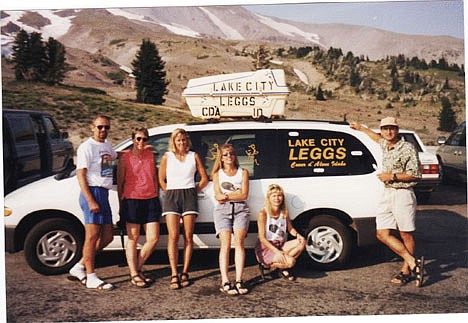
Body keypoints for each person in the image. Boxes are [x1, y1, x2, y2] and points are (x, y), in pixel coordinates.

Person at [350, 117, 425, 287]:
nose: (389, 132)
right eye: (385, 129)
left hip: (402, 193)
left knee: (405, 233)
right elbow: (375, 137)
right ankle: (413, 262)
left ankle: (406, 271)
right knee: (382, 233)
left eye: (392, 128)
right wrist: (361, 128)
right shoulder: (385, 144)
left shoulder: (407, 148)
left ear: (397, 130)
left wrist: (391, 176)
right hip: (388, 193)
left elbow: (416, 174)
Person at [69, 115, 117, 290]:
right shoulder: (86, 148)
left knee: (107, 236)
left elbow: (115, 156)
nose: (103, 130)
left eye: (106, 127)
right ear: (92, 127)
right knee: (92, 237)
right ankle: (91, 277)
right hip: (92, 193)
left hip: (103, 193)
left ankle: (79, 266)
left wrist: (138, 149)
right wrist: (90, 200)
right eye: (100, 127)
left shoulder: (106, 145)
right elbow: (81, 174)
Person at [158, 128, 208, 289]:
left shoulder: (194, 156)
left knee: (188, 236)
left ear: (188, 141)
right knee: (173, 236)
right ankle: (174, 273)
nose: (181, 143)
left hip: (189, 196)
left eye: (184, 140)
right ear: (173, 141)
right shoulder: (168, 156)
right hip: (172, 196)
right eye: (178, 140)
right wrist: (168, 190)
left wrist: (194, 190)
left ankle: (185, 272)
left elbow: (204, 178)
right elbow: (160, 178)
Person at [117, 127, 161, 288]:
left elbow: (155, 177)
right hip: (132, 200)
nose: (141, 142)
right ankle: (134, 274)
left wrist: (156, 193)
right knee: (133, 238)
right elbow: (120, 182)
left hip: (150, 199)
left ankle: (137, 268)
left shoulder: (150, 155)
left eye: (144, 139)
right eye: (138, 139)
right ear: (133, 140)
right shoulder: (125, 158)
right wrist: (121, 205)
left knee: (153, 238)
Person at [212, 143, 251, 295]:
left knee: (239, 243)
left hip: (241, 209)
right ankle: (225, 281)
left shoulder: (243, 172)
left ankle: (239, 280)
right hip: (222, 211)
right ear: (220, 158)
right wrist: (234, 193)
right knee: (225, 244)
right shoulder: (217, 174)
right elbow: (217, 196)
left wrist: (227, 195)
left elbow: (244, 195)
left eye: (231, 153)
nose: (229, 156)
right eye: (225, 154)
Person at [255, 184, 306, 281]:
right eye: (274, 196)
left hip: (280, 244)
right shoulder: (263, 214)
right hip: (266, 248)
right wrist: (277, 252)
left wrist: (298, 235)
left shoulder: (284, 212)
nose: (277, 198)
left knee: (302, 242)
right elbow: (262, 238)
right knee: (291, 262)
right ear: (269, 198)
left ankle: (282, 266)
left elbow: (290, 229)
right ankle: (269, 264)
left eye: (279, 195)